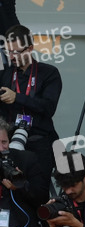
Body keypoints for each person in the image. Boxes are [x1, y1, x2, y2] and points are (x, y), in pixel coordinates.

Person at [0, 25, 62, 191]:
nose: (11, 57)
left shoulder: (49, 73)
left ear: (29, 49)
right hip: (9, 144)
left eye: (16, 52)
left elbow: (48, 108)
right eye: (8, 52)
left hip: (39, 143)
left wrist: (17, 97)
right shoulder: (4, 73)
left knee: (37, 192)